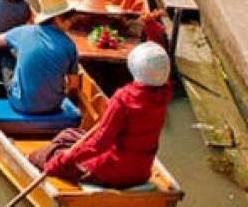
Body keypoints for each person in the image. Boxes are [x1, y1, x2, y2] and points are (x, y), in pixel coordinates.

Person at [28, 41, 172, 185]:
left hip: (111, 172)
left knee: (44, 156)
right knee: (68, 135)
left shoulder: (123, 99)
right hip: (141, 171)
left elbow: (99, 144)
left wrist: (62, 161)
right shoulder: (165, 91)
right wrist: (150, 25)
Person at [0, 0, 78, 114]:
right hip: (53, 106)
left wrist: (16, 46)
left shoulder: (24, 32)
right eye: (69, 18)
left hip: (20, 104)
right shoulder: (70, 45)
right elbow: (74, 84)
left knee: (3, 50)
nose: (72, 22)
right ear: (57, 18)